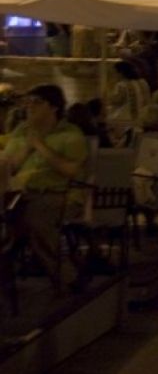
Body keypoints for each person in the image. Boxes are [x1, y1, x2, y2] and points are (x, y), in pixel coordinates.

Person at [1, 85, 88, 291]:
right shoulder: (22, 131)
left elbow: (72, 171)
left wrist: (40, 146)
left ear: (54, 107)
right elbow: (10, 166)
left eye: (36, 102)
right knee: (8, 221)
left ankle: (69, 278)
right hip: (20, 193)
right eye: (27, 102)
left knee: (34, 222)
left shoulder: (70, 134)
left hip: (57, 194)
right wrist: (27, 147)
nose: (29, 107)